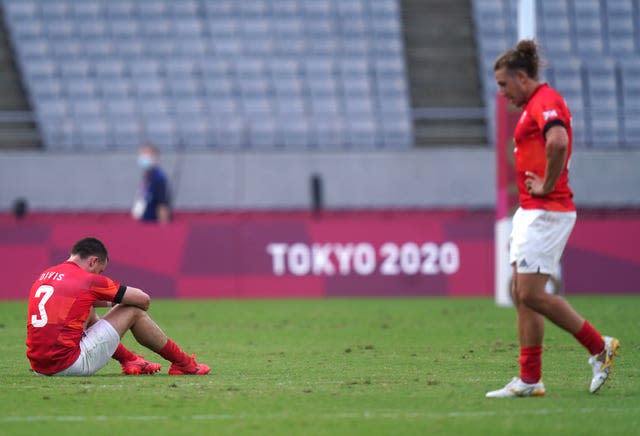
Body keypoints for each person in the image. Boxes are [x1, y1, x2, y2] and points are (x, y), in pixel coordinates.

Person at [486, 40, 619, 398]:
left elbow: (558, 141)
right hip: (532, 211)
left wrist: (546, 183)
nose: (501, 93)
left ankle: (599, 346)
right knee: (521, 293)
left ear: (522, 76)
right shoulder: (534, 105)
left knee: (530, 293)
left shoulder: (546, 102)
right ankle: (530, 379)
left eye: (503, 84)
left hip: (547, 211)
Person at [26, 237, 209, 376]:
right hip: (67, 364)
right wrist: (115, 299)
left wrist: (102, 300)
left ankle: (130, 360)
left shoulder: (46, 275)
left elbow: (79, 301)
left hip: (39, 367)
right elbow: (143, 300)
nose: (99, 274)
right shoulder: (88, 280)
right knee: (133, 311)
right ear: (92, 261)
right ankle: (183, 363)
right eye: (100, 270)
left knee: (87, 309)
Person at [132, 143, 172, 224]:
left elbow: (162, 204)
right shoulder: (147, 176)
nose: (142, 157)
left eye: (146, 155)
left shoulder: (158, 178)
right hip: (145, 221)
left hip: (154, 224)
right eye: (141, 154)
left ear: (155, 157)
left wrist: (163, 226)